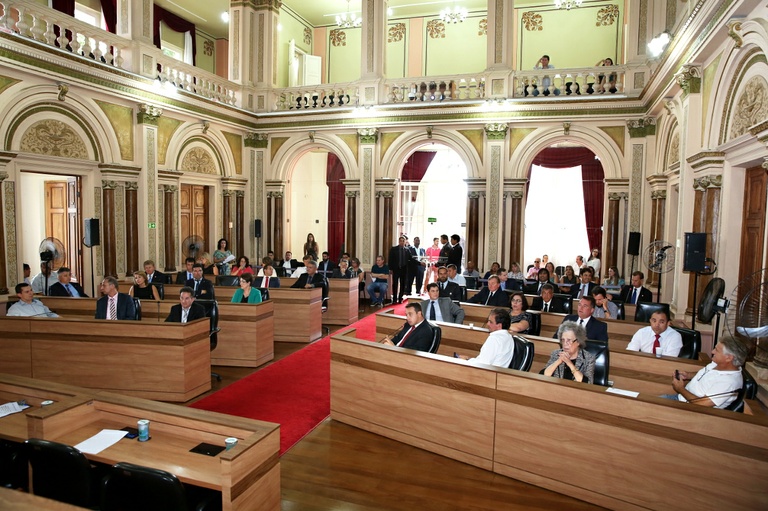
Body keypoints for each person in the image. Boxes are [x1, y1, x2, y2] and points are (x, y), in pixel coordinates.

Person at [663, 337, 746, 408]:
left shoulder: (729, 382)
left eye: (716, 350)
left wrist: (680, 389)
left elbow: (701, 404)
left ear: (729, 358)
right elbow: (706, 375)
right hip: (682, 398)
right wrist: (688, 375)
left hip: (690, 409)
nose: (712, 351)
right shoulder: (719, 363)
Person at [389, 236, 410, 303]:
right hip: (396, 269)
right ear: (399, 241)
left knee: (403, 284)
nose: (402, 242)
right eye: (400, 241)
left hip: (404, 269)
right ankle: (395, 298)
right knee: (395, 284)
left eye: (403, 241)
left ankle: (400, 298)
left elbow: (411, 259)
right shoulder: (394, 249)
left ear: (405, 242)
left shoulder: (407, 250)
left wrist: (419, 263)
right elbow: (390, 259)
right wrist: (390, 269)